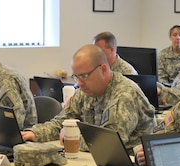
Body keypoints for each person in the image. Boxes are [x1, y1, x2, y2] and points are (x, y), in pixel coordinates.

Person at [21, 44, 156, 152]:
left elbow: (109, 144)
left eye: (84, 76)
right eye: (76, 76)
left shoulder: (124, 94)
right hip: (98, 162)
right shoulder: (85, 92)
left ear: (103, 69)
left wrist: (70, 137)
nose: (79, 83)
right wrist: (35, 133)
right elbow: (62, 122)